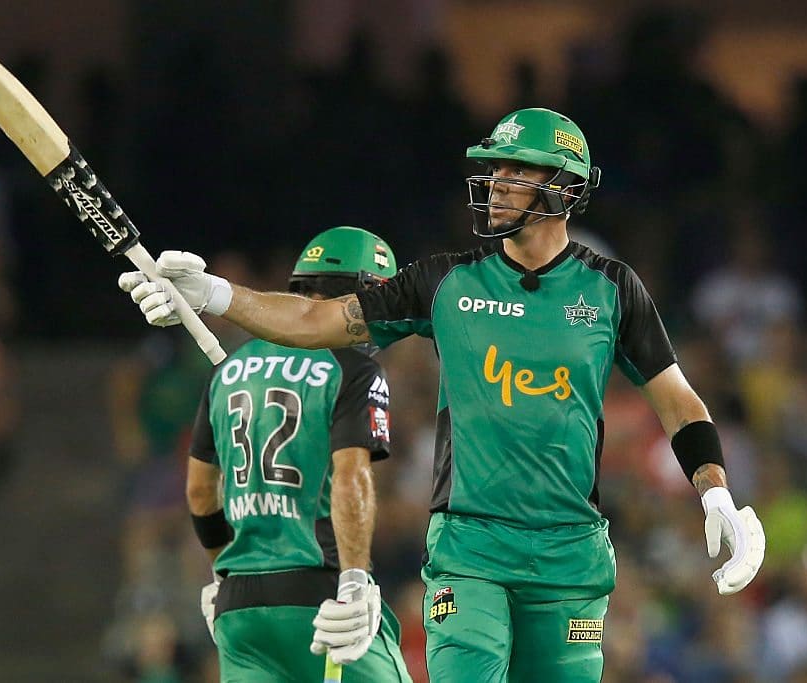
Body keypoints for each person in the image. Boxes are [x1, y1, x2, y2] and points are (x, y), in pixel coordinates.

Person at [119, 108, 766, 682]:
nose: (496, 184)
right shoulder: (446, 281)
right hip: (469, 550)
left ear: (563, 186)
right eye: (495, 170)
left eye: (516, 171)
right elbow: (318, 319)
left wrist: (715, 491)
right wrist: (216, 294)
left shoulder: (613, 288)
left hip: (571, 557)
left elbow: (678, 400)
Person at [120, 227, 412, 682]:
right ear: (358, 295)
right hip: (320, 595)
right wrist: (354, 579)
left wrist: (222, 574)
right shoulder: (354, 369)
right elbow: (351, 477)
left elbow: (200, 492)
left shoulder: (228, 370)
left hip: (240, 611)